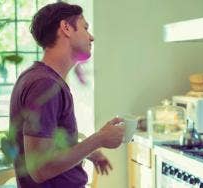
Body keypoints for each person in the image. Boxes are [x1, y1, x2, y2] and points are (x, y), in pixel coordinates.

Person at [8, 2, 125, 187]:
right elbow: (40, 169)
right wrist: (99, 139)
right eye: (85, 28)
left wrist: (88, 151)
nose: (91, 37)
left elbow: (50, 141)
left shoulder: (40, 77)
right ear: (66, 28)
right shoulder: (45, 84)